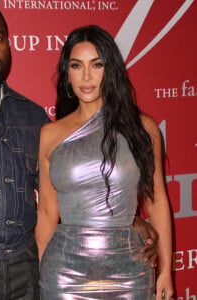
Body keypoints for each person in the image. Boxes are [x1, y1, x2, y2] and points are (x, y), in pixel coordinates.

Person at [0, 2, 157, 299]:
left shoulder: (32, 118)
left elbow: (68, 184)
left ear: (9, 43)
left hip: (28, 269)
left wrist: (126, 220)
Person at [35, 25, 173, 299]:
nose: (86, 76)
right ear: (67, 72)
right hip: (63, 271)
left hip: (130, 269)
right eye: (77, 66)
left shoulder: (143, 128)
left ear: (110, 70)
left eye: (96, 65)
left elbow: (157, 201)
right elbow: (47, 213)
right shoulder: (50, 134)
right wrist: (44, 270)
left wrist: (166, 269)